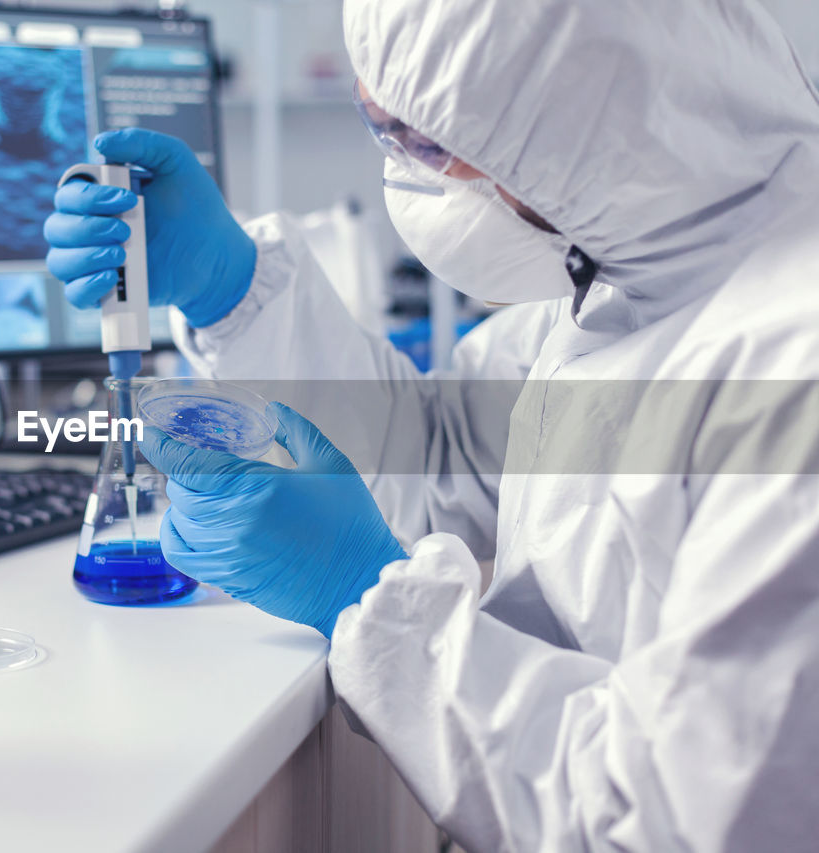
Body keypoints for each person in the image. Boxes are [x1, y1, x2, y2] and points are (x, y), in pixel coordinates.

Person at [45, 0, 819, 848]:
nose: (403, 179)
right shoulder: (640, 273)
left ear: (581, 118)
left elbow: (678, 821)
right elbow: (442, 448)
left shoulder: (790, 375)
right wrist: (230, 287)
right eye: (377, 130)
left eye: (421, 143)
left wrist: (367, 594)